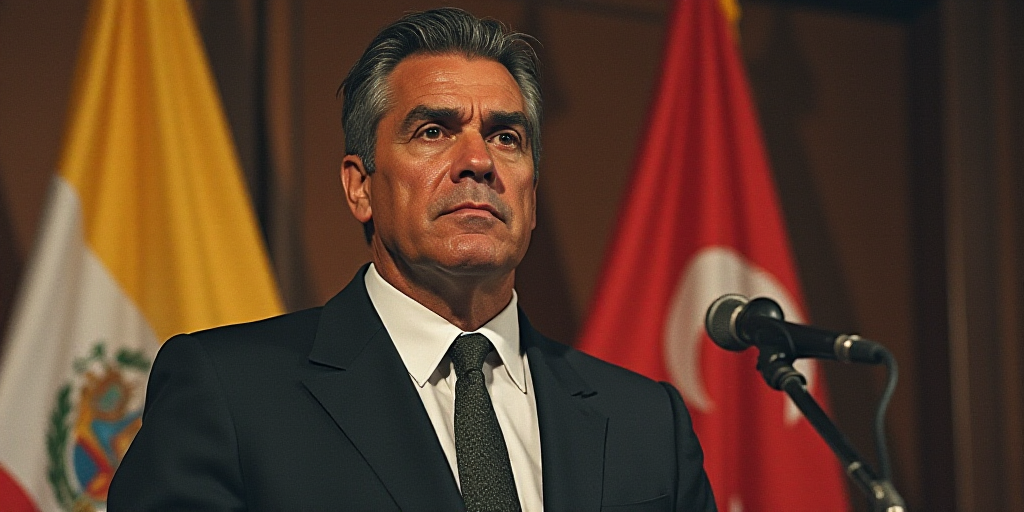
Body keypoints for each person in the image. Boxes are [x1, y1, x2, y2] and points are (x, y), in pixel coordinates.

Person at [108, 7, 715, 512]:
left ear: (531, 195)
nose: (478, 161)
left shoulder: (647, 423)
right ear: (360, 187)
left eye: (506, 137)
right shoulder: (231, 394)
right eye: (433, 131)